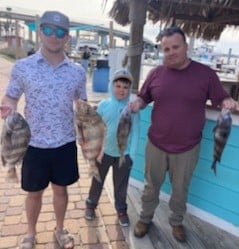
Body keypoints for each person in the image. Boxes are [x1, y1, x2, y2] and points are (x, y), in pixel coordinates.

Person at [129, 27, 238, 243]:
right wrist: (137, 104)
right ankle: (145, 218)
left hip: (188, 148)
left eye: (175, 47)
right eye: (166, 49)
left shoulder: (206, 74)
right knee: (151, 186)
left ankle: (176, 222)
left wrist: (228, 102)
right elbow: (144, 97)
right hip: (156, 144)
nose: (170, 52)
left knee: (180, 190)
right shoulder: (155, 73)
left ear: (186, 47)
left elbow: (221, 98)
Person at [0, 10, 87, 249]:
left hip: (65, 143)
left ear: (67, 37)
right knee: (34, 193)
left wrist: (90, 119)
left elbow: (81, 105)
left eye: (60, 32)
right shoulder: (22, 67)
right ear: (40, 32)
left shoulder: (78, 72)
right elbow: (11, 97)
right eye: (48, 29)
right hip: (32, 143)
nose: (54, 36)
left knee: (61, 191)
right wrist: (7, 108)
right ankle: (30, 234)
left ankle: (60, 230)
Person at [84, 68, 140, 227]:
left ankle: (121, 210)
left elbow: (136, 133)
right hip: (103, 153)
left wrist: (132, 155)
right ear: (111, 86)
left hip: (124, 153)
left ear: (129, 89)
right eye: (118, 86)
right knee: (97, 180)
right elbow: (94, 128)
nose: (121, 90)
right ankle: (91, 204)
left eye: (125, 87)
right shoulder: (103, 105)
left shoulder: (132, 109)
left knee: (121, 185)